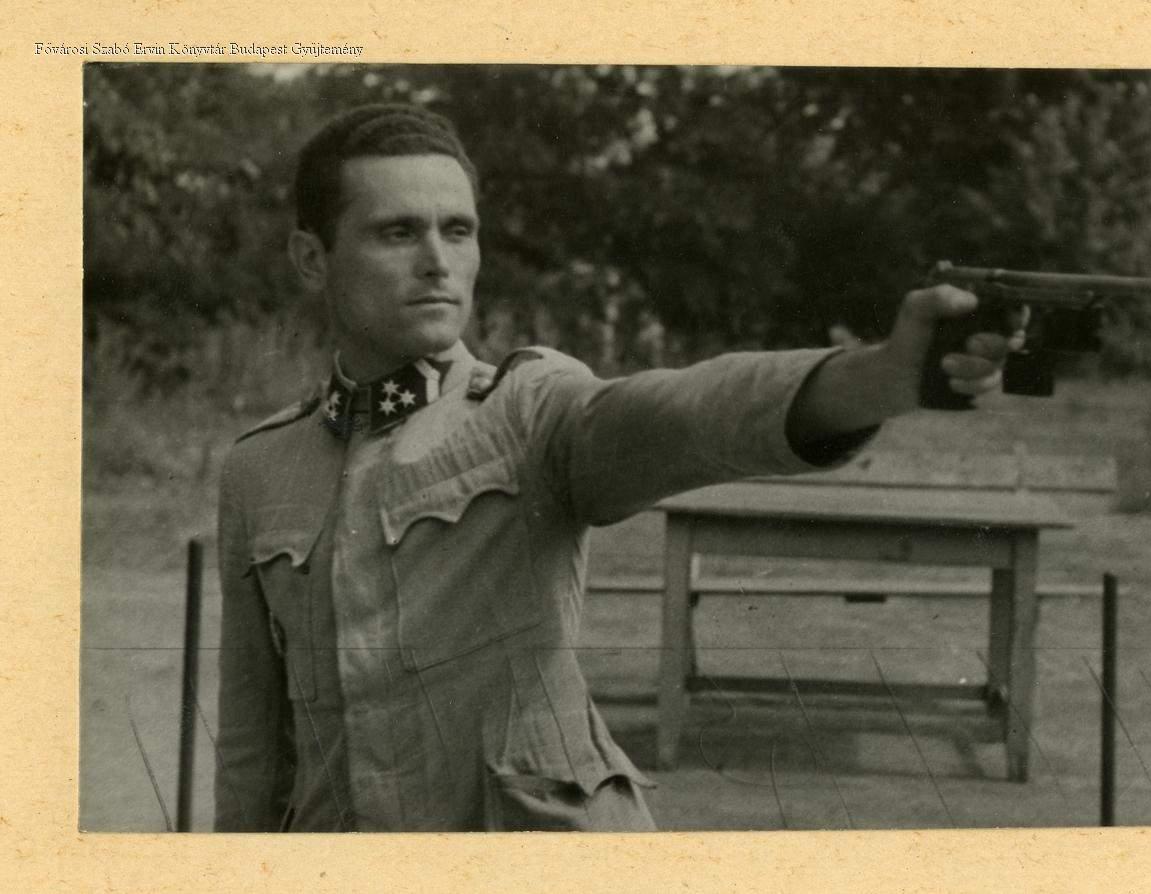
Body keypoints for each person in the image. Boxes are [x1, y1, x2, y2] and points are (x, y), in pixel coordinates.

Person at [214, 103, 1020, 832]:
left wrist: (876, 378)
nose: (438, 261)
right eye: (398, 233)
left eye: (458, 231)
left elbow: (687, 414)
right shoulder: (260, 470)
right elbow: (252, 751)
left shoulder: (525, 409)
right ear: (312, 257)